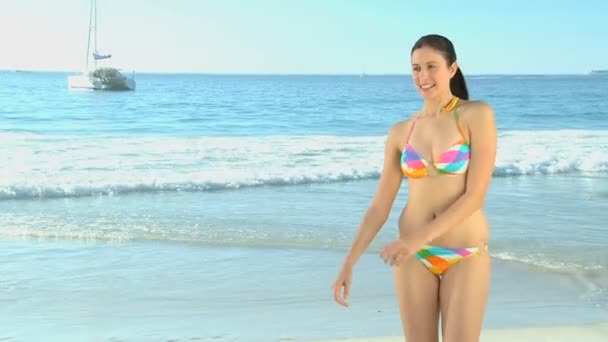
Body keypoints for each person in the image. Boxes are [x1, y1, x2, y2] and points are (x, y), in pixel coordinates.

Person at [332, 34, 497, 342]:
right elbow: (379, 207)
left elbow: (475, 196)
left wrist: (416, 238)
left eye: (431, 66)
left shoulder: (476, 115)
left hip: (465, 252)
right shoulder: (400, 132)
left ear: (452, 69)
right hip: (413, 257)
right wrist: (349, 262)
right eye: (416, 68)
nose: (423, 76)